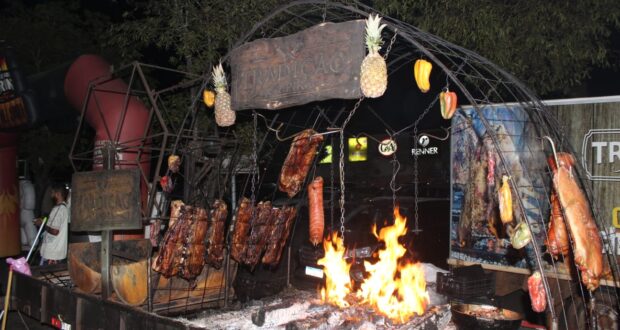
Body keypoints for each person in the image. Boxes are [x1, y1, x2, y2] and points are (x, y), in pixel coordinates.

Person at [34, 183, 70, 265]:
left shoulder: (58, 209)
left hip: (52, 255)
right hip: (55, 253)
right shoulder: (63, 208)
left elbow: (55, 231)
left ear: (57, 194)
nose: (51, 194)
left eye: (52, 192)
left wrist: (42, 224)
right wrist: (44, 222)